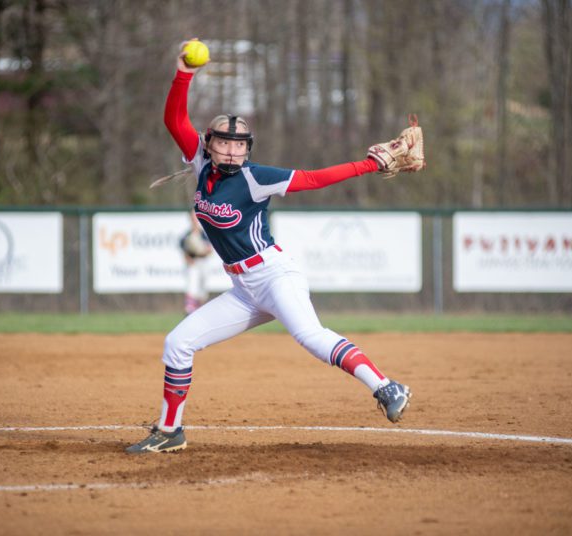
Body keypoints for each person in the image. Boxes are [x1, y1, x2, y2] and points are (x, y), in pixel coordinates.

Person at [126, 40, 424, 454]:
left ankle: (387, 387)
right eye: (224, 143)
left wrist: (369, 164)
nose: (233, 150)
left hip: (274, 275)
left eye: (240, 144)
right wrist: (184, 74)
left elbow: (314, 178)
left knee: (311, 336)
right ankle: (170, 430)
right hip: (243, 289)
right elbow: (173, 119)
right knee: (178, 344)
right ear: (209, 144)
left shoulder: (256, 177)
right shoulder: (199, 161)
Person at [179, 209, 213, 314]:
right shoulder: (187, 234)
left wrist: (206, 250)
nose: (194, 219)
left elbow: (210, 249)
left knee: (202, 289)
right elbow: (183, 248)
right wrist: (187, 257)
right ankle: (189, 311)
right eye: (192, 216)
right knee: (192, 287)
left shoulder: (204, 234)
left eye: (195, 216)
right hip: (193, 262)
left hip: (203, 262)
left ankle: (201, 312)